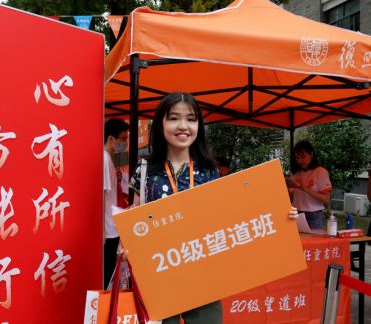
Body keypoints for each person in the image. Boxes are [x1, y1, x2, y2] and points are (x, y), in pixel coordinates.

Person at [129, 92, 298, 324]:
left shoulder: (208, 170)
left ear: (199, 125)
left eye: (191, 119)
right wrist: (127, 239)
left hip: (202, 272)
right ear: (160, 124)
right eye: (174, 118)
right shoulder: (145, 169)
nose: (183, 126)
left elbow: (227, 215)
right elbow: (135, 212)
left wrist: (280, 214)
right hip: (159, 275)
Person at [103, 118, 129, 289]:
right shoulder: (104, 158)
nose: (125, 143)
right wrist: (101, 231)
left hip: (111, 225)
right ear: (111, 138)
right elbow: (101, 194)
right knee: (107, 272)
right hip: (107, 228)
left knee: (110, 271)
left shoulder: (108, 159)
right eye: (123, 139)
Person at [289, 140, 332, 229]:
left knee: (312, 241)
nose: (300, 161)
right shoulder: (295, 173)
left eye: (303, 157)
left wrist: (305, 189)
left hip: (314, 215)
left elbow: (326, 199)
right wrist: (289, 189)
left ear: (311, 154)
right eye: (297, 158)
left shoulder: (320, 172)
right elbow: (292, 197)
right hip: (296, 213)